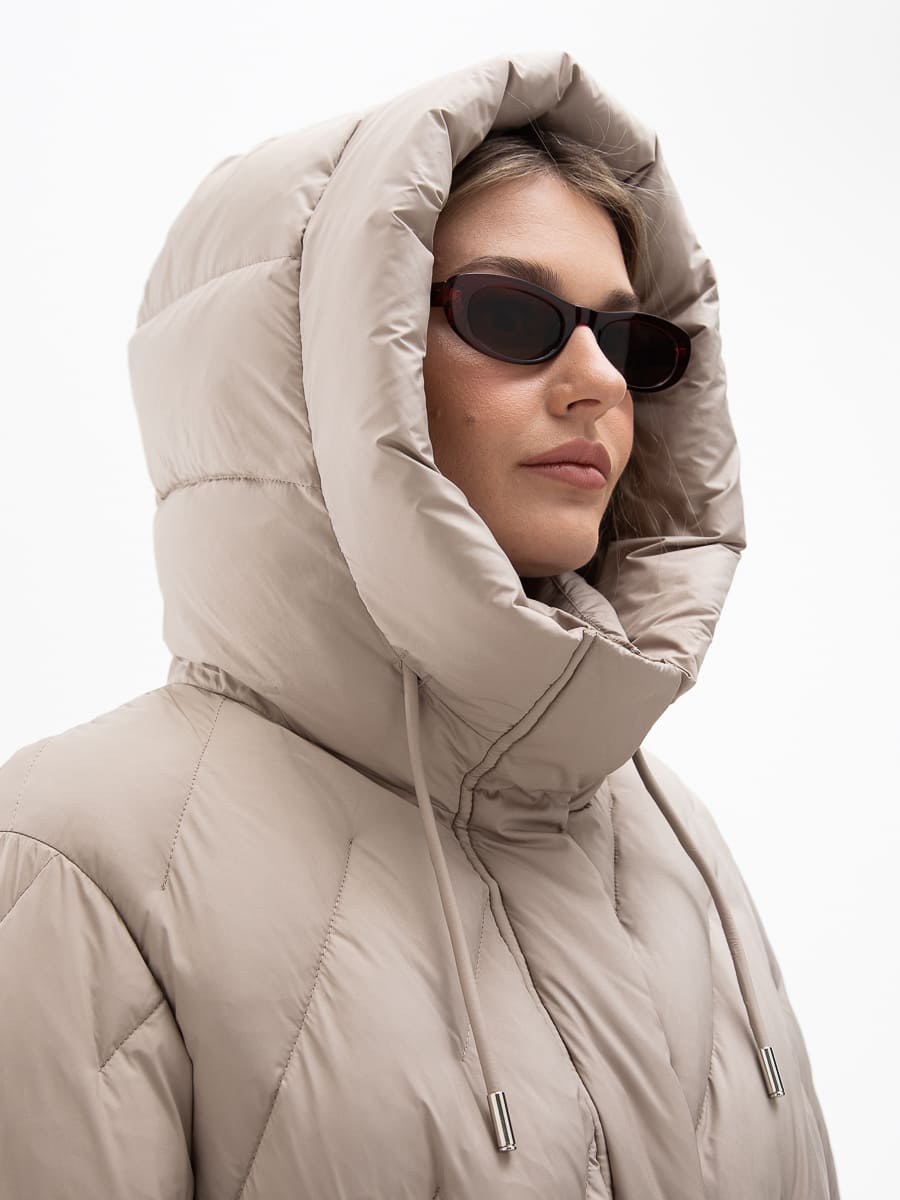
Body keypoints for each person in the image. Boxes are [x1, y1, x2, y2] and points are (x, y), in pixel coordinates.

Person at [0, 49, 840, 1199]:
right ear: (330, 364)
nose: (599, 380)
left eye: (628, 341)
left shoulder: (667, 838)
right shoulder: (74, 860)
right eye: (513, 314)